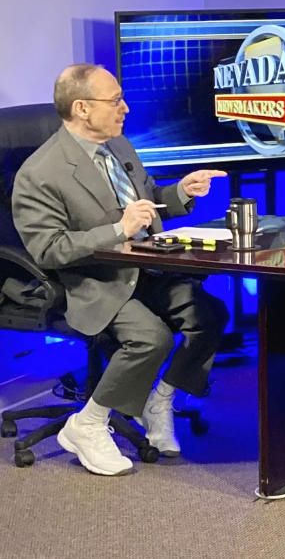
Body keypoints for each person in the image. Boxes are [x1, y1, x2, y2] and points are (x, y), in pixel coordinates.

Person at [12, 64, 229, 476]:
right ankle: (87, 425)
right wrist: (117, 230)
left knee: (210, 314)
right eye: (114, 101)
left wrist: (181, 191)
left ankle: (158, 401)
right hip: (93, 278)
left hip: (144, 268)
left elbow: (146, 200)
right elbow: (48, 249)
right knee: (152, 339)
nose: (125, 108)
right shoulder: (39, 174)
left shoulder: (119, 146)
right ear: (81, 109)